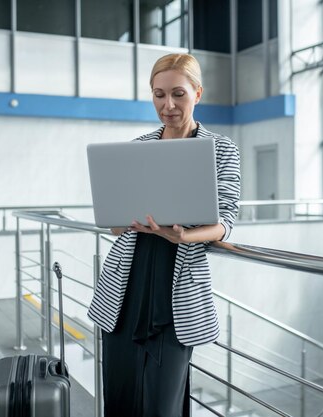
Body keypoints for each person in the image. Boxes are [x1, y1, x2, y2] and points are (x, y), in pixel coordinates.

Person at [87, 53, 241, 417]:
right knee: (120, 397)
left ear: (198, 93)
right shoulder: (139, 145)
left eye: (178, 94)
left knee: (162, 405)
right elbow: (117, 221)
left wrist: (183, 237)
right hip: (127, 284)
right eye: (158, 95)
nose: (167, 105)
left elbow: (227, 220)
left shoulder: (222, 148)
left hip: (177, 289)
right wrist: (120, 217)